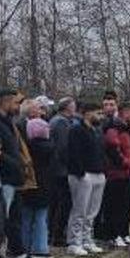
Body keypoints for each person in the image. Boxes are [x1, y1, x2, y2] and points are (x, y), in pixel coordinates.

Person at [0, 88, 34, 258]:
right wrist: (12, 163)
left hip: (13, 178)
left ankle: (15, 253)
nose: (19, 107)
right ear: (6, 102)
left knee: (13, 219)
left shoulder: (8, 122)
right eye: (16, 103)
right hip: (2, 178)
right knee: (1, 220)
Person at [66, 101, 107, 256]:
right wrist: (80, 172)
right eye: (98, 113)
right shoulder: (76, 130)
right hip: (83, 174)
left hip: (98, 172)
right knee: (80, 209)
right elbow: (73, 152)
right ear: (88, 113)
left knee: (92, 211)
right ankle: (74, 241)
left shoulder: (96, 131)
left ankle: (87, 239)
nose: (100, 116)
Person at [102, 100, 130, 248]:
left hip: (128, 174)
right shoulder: (114, 128)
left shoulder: (128, 128)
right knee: (116, 205)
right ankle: (115, 234)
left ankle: (124, 233)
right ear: (125, 112)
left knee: (128, 205)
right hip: (117, 175)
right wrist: (125, 163)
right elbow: (112, 149)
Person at [19, 117, 54, 258]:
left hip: (29, 184)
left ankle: (25, 245)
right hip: (45, 184)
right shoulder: (51, 146)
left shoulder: (27, 147)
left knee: (26, 217)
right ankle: (41, 247)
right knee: (41, 217)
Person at [47, 97, 76, 248]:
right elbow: (64, 147)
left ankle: (54, 233)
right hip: (61, 171)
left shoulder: (56, 121)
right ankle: (57, 235)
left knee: (57, 203)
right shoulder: (61, 123)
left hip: (57, 169)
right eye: (73, 106)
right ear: (67, 108)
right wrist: (72, 164)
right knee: (62, 204)